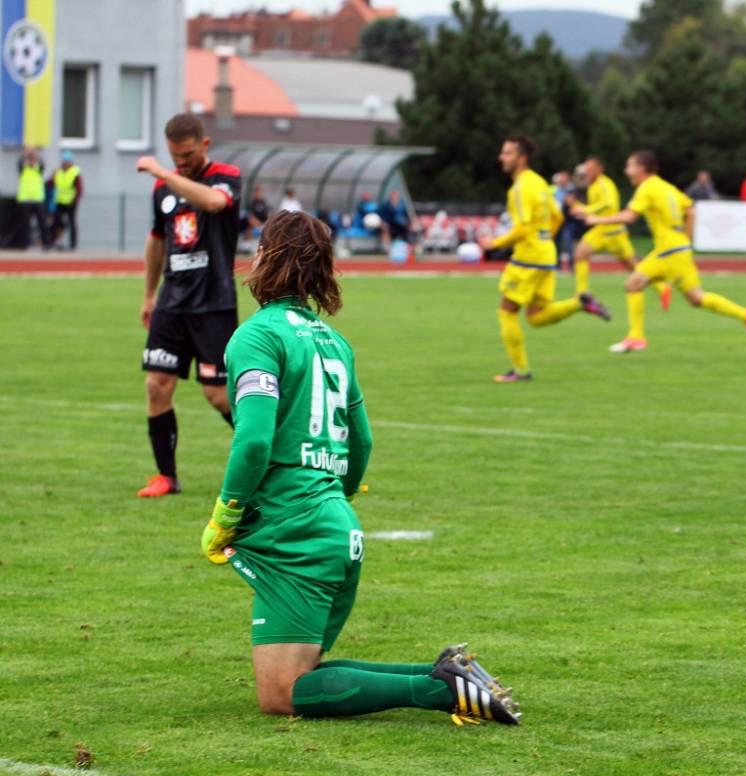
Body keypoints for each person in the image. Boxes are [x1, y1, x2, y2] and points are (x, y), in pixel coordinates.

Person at [200, 210, 520, 726]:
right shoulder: (334, 342)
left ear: (266, 259)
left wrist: (225, 515)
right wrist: (334, 497)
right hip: (335, 524)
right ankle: (447, 673)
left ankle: (439, 691)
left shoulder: (255, 337)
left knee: (283, 693)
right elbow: (362, 440)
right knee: (303, 672)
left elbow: (254, 440)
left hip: (297, 530)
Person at [135, 112, 241, 497]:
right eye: (175, 156)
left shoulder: (225, 176)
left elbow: (213, 203)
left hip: (214, 304)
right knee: (156, 385)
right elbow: (157, 241)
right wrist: (149, 294)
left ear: (205, 145)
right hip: (172, 304)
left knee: (217, 395)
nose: (182, 162)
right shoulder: (163, 191)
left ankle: (275, 459)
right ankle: (167, 476)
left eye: (189, 154)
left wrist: (165, 173)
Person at [583, 150, 746, 353]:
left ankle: (636, 337)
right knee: (696, 298)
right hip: (678, 248)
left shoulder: (647, 188)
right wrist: (686, 239)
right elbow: (691, 210)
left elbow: (629, 216)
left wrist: (597, 220)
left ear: (642, 168)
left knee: (633, 284)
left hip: (669, 250)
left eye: (630, 166)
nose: (627, 171)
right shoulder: (666, 186)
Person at [477, 135, 611, 383]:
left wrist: (493, 243)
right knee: (537, 316)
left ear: (522, 157)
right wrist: (544, 238)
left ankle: (520, 371)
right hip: (545, 254)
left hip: (527, 257)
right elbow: (557, 216)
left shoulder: (519, 188)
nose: (501, 157)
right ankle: (579, 302)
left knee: (507, 311)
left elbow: (523, 228)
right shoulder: (538, 182)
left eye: (507, 153)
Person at [570, 155, 671, 309]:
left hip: (612, 232)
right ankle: (582, 294)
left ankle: (662, 288)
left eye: (590, 168)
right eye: (586, 168)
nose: (587, 171)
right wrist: (578, 206)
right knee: (580, 254)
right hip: (603, 231)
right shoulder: (593, 185)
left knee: (634, 268)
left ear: (599, 169)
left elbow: (608, 204)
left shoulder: (605, 184)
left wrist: (585, 210)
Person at [16, 146, 49, 249]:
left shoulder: (39, 168)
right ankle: (24, 245)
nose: (31, 160)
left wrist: (35, 153)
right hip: (25, 199)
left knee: (42, 224)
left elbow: (42, 162)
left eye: (32, 158)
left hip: (38, 199)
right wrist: (26, 153)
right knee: (25, 224)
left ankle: (46, 244)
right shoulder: (23, 168)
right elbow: (20, 162)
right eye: (29, 158)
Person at [50, 150, 82, 250]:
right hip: (60, 201)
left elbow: (79, 189)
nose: (64, 163)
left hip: (71, 202)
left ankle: (73, 245)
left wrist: (75, 200)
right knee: (57, 222)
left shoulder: (75, 172)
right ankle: (55, 241)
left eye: (66, 161)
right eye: (63, 161)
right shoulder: (58, 172)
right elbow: (52, 183)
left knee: (72, 223)